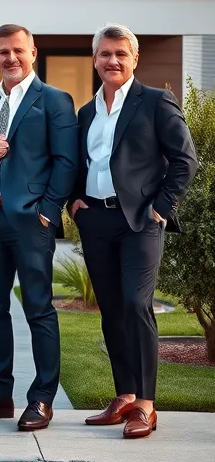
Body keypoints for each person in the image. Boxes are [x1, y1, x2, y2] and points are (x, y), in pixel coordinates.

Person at [69, 24, 197, 439]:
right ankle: (123, 395)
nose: (113, 61)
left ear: (134, 59)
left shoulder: (156, 101)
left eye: (121, 54)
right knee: (110, 307)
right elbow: (76, 163)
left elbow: (184, 160)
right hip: (96, 221)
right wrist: (74, 200)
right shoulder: (86, 112)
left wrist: (161, 208)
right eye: (105, 54)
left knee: (136, 304)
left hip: (140, 220)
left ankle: (145, 403)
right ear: (95, 58)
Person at [0, 24, 77, 432]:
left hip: (30, 221)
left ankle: (41, 399)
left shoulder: (54, 100)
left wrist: (47, 212)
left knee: (38, 309)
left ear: (33, 51)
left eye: (18, 50)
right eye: (3, 51)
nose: (11, 58)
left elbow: (67, 162)